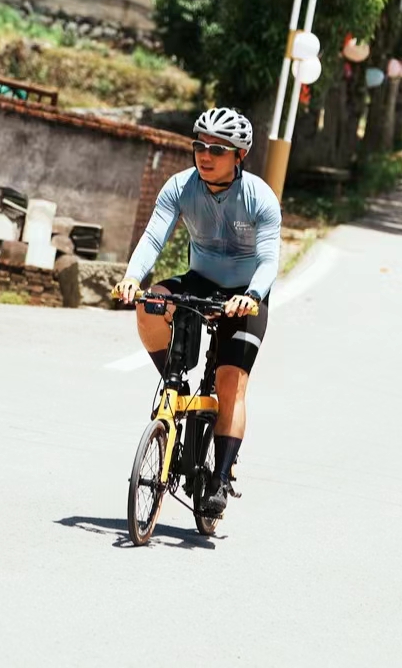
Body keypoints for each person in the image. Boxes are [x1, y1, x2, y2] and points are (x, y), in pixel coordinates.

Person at [112, 107, 281, 517]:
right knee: (150, 304)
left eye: (218, 149)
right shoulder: (179, 186)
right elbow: (154, 235)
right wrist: (133, 277)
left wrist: (253, 295)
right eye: (200, 146)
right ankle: (175, 384)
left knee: (230, 384)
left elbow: (269, 257)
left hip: (244, 294)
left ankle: (221, 479)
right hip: (200, 281)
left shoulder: (259, 197)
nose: (205, 155)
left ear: (239, 155)